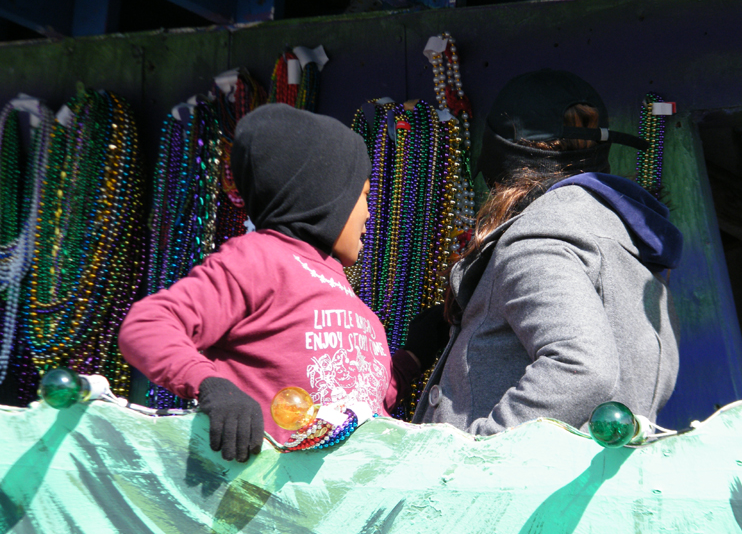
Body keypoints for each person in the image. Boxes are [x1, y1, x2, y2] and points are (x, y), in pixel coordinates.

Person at [119, 103, 422, 462]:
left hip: (346, 505)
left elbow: (357, 398)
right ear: (326, 194)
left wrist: (417, 353)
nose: (370, 213)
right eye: (364, 196)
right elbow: (148, 325)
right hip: (267, 502)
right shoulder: (261, 259)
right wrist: (212, 385)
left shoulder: (343, 289)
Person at [411, 69, 683, 435]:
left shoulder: (540, 236)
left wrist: (479, 456)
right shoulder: (625, 237)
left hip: (511, 490)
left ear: (502, 154)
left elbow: (581, 367)